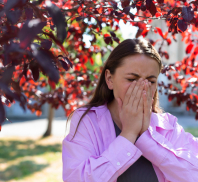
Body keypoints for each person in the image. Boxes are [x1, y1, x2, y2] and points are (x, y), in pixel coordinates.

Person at [62, 39, 198, 182]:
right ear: (109, 79)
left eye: (151, 81)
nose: (143, 87)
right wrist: (128, 134)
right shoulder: (87, 121)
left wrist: (147, 139)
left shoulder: (168, 126)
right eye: (132, 79)